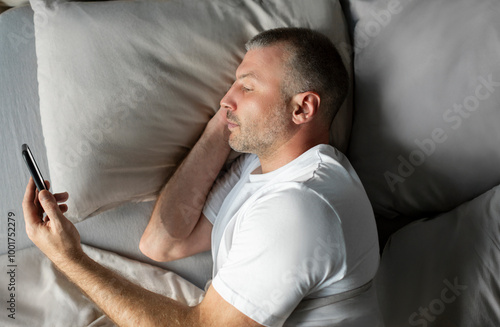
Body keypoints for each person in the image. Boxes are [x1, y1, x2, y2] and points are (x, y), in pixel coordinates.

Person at [23, 27, 382, 326]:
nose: (227, 97)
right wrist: (225, 123)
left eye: (248, 86)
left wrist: (69, 258)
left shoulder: (300, 207)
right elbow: (165, 242)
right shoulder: (263, 166)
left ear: (302, 107)